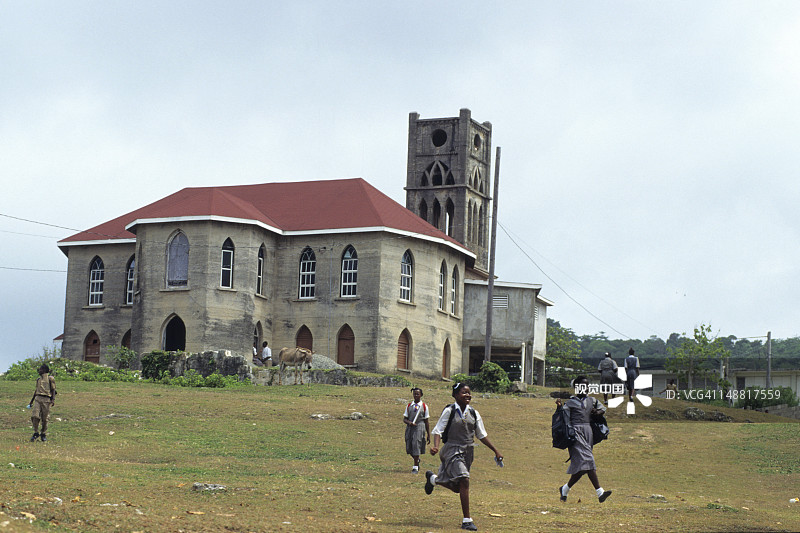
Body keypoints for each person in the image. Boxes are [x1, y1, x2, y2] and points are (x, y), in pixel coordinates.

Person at [424, 382, 503, 532]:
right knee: (465, 480)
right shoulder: (449, 410)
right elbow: (438, 430)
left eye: (469, 392)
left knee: (457, 487)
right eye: (463, 392)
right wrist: (436, 446)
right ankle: (467, 520)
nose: (467, 395)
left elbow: (481, 435)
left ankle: (433, 479)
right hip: (451, 449)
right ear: (455, 395)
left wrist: (496, 451)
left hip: (468, 451)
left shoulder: (474, 413)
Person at [557, 375, 611, 503]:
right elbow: (563, 417)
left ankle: (564, 489)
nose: (585, 388)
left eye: (587, 385)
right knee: (588, 461)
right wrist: (559, 407)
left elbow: (603, 408)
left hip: (588, 433)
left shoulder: (592, 400)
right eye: (582, 385)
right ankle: (600, 492)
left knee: (583, 467)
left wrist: (598, 412)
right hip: (575, 433)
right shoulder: (570, 402)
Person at [403, 387, 430, 473]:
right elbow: (404, 419)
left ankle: (415, 467)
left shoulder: (424, 407)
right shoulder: (409, 406)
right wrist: (409, 423)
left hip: (419, 427)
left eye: (418, 394)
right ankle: (417, 460)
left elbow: (426, 421)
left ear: (421, 395)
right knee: (409, 447)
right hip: (410, 428)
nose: (416, 395)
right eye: (414, 394)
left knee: (416, 445)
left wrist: (428, 434)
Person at [28, 364, 56, 442]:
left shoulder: (50, 379)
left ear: (44, 370)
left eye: (40, 369)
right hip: (38, 398)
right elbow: (36, 391)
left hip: (46, 400)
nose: (39, 371)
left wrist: (53, 400)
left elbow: (53, 390)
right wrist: (31, 401)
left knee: (45, 419)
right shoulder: (38, 379)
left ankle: (43, 433)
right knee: (35, 416)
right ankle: (36, 432)